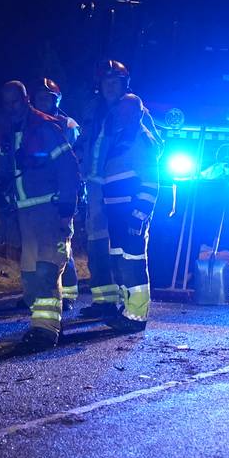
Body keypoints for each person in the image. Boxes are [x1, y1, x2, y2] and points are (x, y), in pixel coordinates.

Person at [0, 81, 81, 350]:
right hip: (24, 214)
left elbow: (69, 168)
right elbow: (5, 172)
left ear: (25, 100)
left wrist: (67, 209)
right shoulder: (12, 132)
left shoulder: (45, 128)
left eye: (15, 102)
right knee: (31, 275)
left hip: (49, 210)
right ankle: (40, 325)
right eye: (6, 103)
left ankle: (46, 331)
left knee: (47, 269)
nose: (11, 107)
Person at [76, 59, 159, 318]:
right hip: (97, 187)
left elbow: (153, 147)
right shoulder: (93, 111)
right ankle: (104, 300)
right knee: (97, 243)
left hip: (123, 186)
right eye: (106, 82)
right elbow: (84, 145)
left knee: (124, 247)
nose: (110, 87)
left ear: (125, 84)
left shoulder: (134, 110)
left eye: (116, 82)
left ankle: (129, 308)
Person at [99, 94, 160, 332]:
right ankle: (127, 309)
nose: (122, 116)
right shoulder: (123, 136)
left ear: (138, 113)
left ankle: (136, 315)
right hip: (117, 212)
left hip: (130, 213)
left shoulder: (142, 139)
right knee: (119, 261)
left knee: (132, 263)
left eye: (127, 112)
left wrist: (138, 215)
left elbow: (151, 182)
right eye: (119, 112)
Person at [31, 77, 82, 313]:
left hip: (62, 194)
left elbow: (75, 160)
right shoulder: (30, 124)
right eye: (39, 98)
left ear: (56, 100)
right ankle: (40, 291)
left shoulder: (67, 125)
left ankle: (69, 293)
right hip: (37, 196)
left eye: (47, 98)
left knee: (63, 247)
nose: (42, 102)